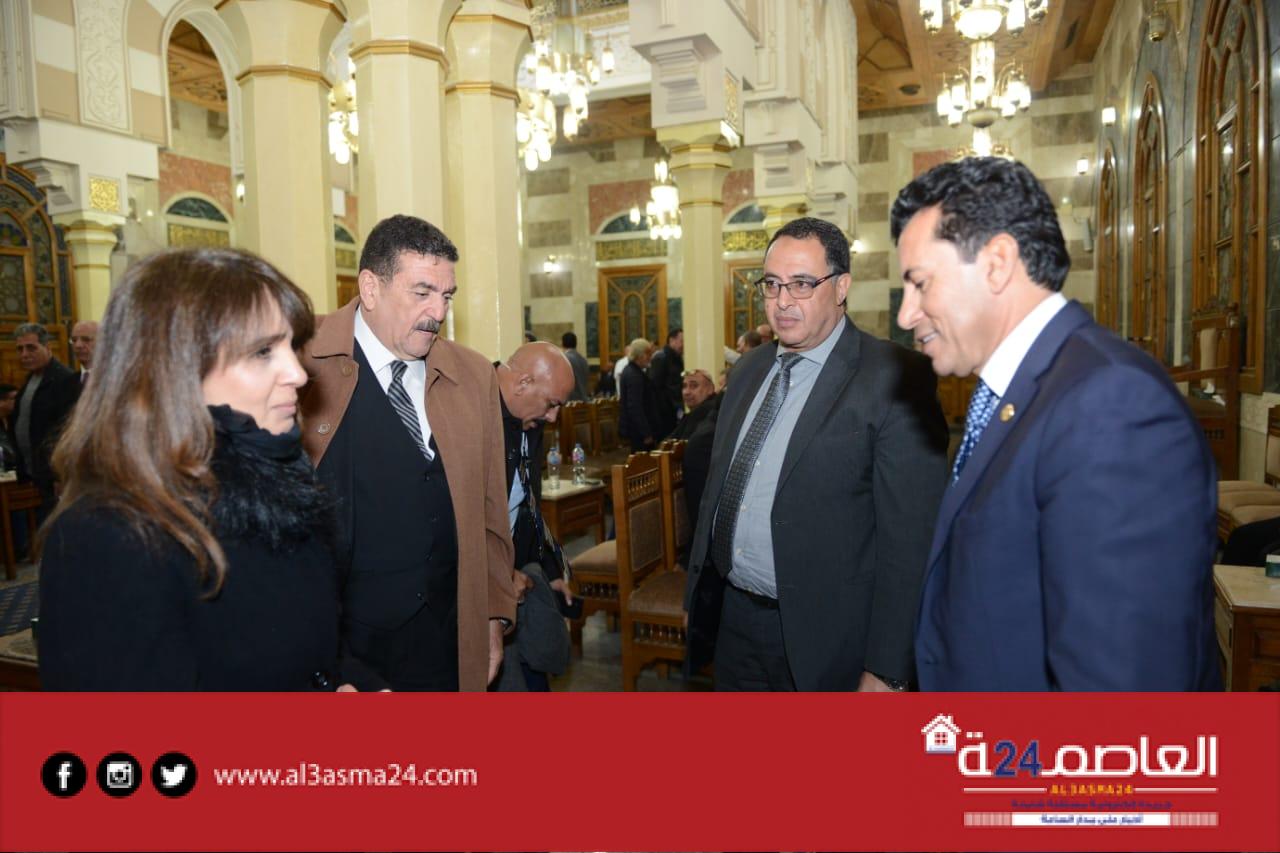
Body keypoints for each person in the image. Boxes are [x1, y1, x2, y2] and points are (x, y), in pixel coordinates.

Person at [892, 157, 1220, 691]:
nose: (906, 315)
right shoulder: (1029, 390)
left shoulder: (1111, 404)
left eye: (920, 283)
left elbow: (1123, 694)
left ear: (997, 263)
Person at [38, 248, 344, 691]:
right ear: (175, 373)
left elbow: (315, 657)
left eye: (291, 346)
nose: (297, 373)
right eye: (262, 351)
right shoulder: (107, 536)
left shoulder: (283, 490)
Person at [684, 217, 949, 691]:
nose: (782, 301)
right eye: (771, 284)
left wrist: (887, 668)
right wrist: (697, 600)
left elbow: (912, 542)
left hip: (830, 638)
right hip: (734, 622)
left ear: (841, 287)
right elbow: (717, 491)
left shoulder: (895, 378)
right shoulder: (748, 370)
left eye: (802, 284)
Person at [301, 214, 517, 692]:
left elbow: (491, 514)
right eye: (422, 292)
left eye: (447, 296)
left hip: (446, 638)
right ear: (370, 288)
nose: (438, 312)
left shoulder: (474, 375)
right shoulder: (301, 364)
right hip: (339, 647)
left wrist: (493, 616)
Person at [495, 341, 576, 690]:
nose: (553, 417)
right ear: (523, 383)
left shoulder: (530, 420)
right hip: (478, 587)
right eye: (551, 404)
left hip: (519, 577)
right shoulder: (470, 411)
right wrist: (497, 574)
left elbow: (527, 501)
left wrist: (550, 569)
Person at [11, 322, 80, 518]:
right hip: (36, 474)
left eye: (31, 348)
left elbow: (67, 432)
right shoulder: (30, 379)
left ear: (47, 347)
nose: (24, 354)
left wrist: (59, 475)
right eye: (20, 349)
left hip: (56, 477)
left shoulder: (64, 379)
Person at [618, 337, 661, 452]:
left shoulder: (633, 371)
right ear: (640, 355)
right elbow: (635, 407)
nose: (650, 357)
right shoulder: (633, 375)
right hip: (638, 432)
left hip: (638, 429)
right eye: (648, 354)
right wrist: (646, 433)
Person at [647, 328, 684, 437]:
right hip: (664, 413)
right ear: (672, 340)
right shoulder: (660, 358)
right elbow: (655, 388)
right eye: (682, 341)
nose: (684, 345)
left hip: (675, 409)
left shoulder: (677, 358)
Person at [670, 368, 719, 441]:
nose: (686, 392)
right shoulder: (696, 411)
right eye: (684, 386)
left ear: (710, 389)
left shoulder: (704, 410)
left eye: (694, 386)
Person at [561, 331, 590, 402]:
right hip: (584, 401)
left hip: (571, 402)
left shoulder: (564, 359)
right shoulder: (583, 359)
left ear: (563, 343)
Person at [70, 320, 98, 385]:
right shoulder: (66, 383)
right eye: (74, 340)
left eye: (86, 339)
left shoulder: (117, 381)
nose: (78, 345)